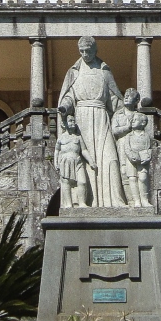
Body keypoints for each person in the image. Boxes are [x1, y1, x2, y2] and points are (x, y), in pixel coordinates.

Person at [57, 36, 126, 207]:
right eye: (82, 51)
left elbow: (114, 100)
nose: (85, 54)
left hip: (102, 119)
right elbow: (69, 96)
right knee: (84, 162)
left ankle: (114, 200)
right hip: (81, 120)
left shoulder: (104, 71)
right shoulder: (74, 71)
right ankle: (85, 202)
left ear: (95, 50)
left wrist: (125, 112)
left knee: (110, 159)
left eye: (88, 51)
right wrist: (65, 107)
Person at [112, 88, 152, 207]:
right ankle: (131, 200)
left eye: (130, 96)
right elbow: (114, 130)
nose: (126, 97)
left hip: (138, 145)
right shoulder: (118, 114)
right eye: (126, 95)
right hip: (123, 143)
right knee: (124, 172)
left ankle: (142, 199)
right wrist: (128, 127)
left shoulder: (138, 116)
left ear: (137, 100)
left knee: (142, 175)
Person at [54, 113, 94, 207]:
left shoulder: (78, 137)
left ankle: (82, 203)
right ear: (64, 124)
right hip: (65, 161)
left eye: (73, 121)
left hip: (77, 161)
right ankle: (68, 204)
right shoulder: (61, 137)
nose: (73, 123)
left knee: (82, 182)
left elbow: (84, 150)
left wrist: (91, 161)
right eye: (70, 121)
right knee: (66, 182)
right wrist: (56, 162)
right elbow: (57, 150)